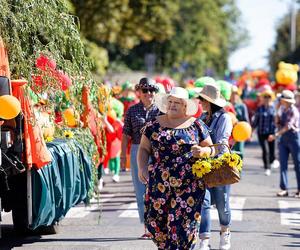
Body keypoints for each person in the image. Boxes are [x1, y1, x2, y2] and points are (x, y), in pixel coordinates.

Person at [137, 87, 214, 249]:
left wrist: (203, 151)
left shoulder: (197, 125)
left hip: (189, 186)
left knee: (183, 228)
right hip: (159, 185)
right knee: (156, 224)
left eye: (177, 102)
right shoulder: (154, 124)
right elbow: (144, 148)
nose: (172, 105)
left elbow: (212, 148)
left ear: (185, 106)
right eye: (170, 101)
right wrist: (142, 168)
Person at [121, 77, 160, 238]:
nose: (148, 93)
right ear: (139, 92)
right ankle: (147, 228)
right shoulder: (132, 110)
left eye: (151, 90)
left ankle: (157, 225)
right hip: (137, 149)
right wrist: (123, 155)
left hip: (157, 151)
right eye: (145, 90)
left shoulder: (161, 111)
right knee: (140, 190)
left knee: (157, 189)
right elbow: (125, 135)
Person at [196, 84, 233, 250]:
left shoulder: (224, 118)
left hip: (219, 166)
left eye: (202, 99)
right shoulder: (202, 118)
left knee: (222, 205)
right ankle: (204, 239)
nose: (199, 102)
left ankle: (225, 233)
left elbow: (222, 143)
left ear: (210, 102)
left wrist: (207, 150)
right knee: (203, 202)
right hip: (203, 166)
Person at [268, 90, 300, 197]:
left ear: (285, 101)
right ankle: (284, 189)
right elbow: (277, 123)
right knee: (283, 165)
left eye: (281, 99)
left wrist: (276, 135)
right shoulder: (282, 110)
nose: (280, 101)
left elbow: (287, 126)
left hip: (293, 138)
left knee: (298, 165)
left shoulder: (293, 111)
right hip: (283, 140)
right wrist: (277, 111)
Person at [252, 89, 276, 176]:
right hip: (261, 133)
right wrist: (251, 130)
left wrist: (275, 133)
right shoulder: (259, 108)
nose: (267, 98)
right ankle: (267, 167)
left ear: (271, 98)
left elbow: (277, 122)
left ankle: (272, 161)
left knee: (272, 152)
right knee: (265, 151)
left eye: (268, 97)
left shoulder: (274, 108)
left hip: (271, 133)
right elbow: (256, 121)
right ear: (263, 98)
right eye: (265, 96)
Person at [230, 85, 249, 159]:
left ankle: (239, 170)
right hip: (229, 133)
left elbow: (246, 120)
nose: (234, 96)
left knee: (239, 152)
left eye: (236, 93)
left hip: (240, 133)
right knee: (229, 153)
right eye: (232, 93)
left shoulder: (242, 106)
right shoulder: (227, 105)